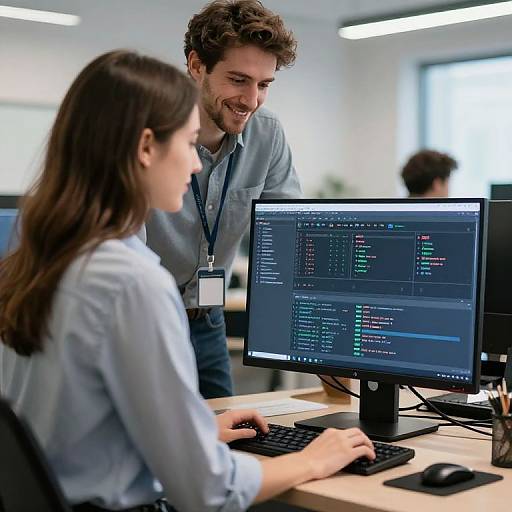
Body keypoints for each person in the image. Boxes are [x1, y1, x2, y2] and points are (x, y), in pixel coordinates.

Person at [0, 50, 374, 512]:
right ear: (144, 148)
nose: (197, 164)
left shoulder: (37, 262)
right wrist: (314, 460)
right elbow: (208, 490)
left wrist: (192, 432)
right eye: (188, 142)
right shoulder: (132, 282)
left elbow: (70, 428)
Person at [145, 0, 302, 399]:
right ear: (197, 66)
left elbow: (288, 236)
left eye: (263, 84)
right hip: (145, 319)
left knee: (233, 435)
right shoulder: (150, 134)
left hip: (207, 318)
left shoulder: (267, 134)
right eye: (238, 80)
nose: (251, 100)